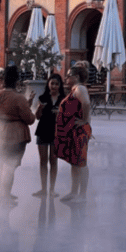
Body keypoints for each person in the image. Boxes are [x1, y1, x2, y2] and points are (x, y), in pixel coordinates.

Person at [0, 65, 36, 205]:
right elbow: (30, 119)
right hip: (14, 136)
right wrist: (31, 108)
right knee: (9, 166)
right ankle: (5, 196)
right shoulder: (18, 97)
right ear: (16, 81)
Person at [55, 65, 92, 203]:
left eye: (68, 75)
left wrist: (84, 120)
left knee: (81, 163)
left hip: (79, 131)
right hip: (73, 131)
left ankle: (82, 195)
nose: (66, 78)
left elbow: (86, 104)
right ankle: (73, 192)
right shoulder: (75, 89)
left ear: (76, 77)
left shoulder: (80, 88)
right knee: (74, 162)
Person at [32, 73, 65, 197]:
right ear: (48, 84)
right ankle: (43, 189)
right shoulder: (42, 97)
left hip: (57, 132)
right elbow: (37, 117)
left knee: (54, 161)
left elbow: (67, 118)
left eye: (57, 84)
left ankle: (52, 189)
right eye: (52, 83)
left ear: (60, 85)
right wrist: (39, 108)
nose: (54, 86)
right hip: (43, 130)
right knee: (43, 161)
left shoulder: (63, 99)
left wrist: (60, 114)